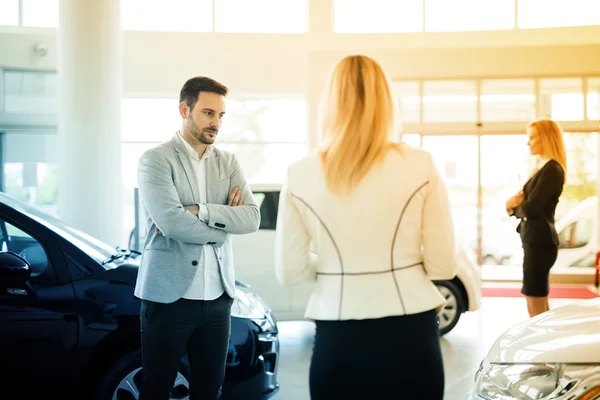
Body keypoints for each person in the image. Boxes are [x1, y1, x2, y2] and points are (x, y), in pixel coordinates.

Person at [273, 54, 457, 400]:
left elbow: (290, 271)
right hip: (410, 331)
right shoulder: (421, 164)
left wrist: (337, 269)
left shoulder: (300, 173)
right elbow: (442, 264)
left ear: (329, 104)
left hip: (338, 335)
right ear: (386, 101)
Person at [134, 76, 260, 400]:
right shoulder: (156, 160)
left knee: (209, 390)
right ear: (184, 109)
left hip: (218, 299)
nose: (215, 123)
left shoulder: (228, 162)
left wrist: (201, 210)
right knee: (156, 389)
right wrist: (221, 227)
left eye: (220, 115)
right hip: (168, 299)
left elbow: (251, 217)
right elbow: (171, 222)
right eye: (207, 113)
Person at [506, 118, 567, 318]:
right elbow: (524, 202)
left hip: (540, 242)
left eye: (532, 137)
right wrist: (514, 205)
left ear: (546, 138)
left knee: (535, 299)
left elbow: (531, 208)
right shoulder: (542, 169)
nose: (528, 142)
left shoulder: (552, 170)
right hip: (536, 241)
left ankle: (540, 345)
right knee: (536, 298)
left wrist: (512, 207)